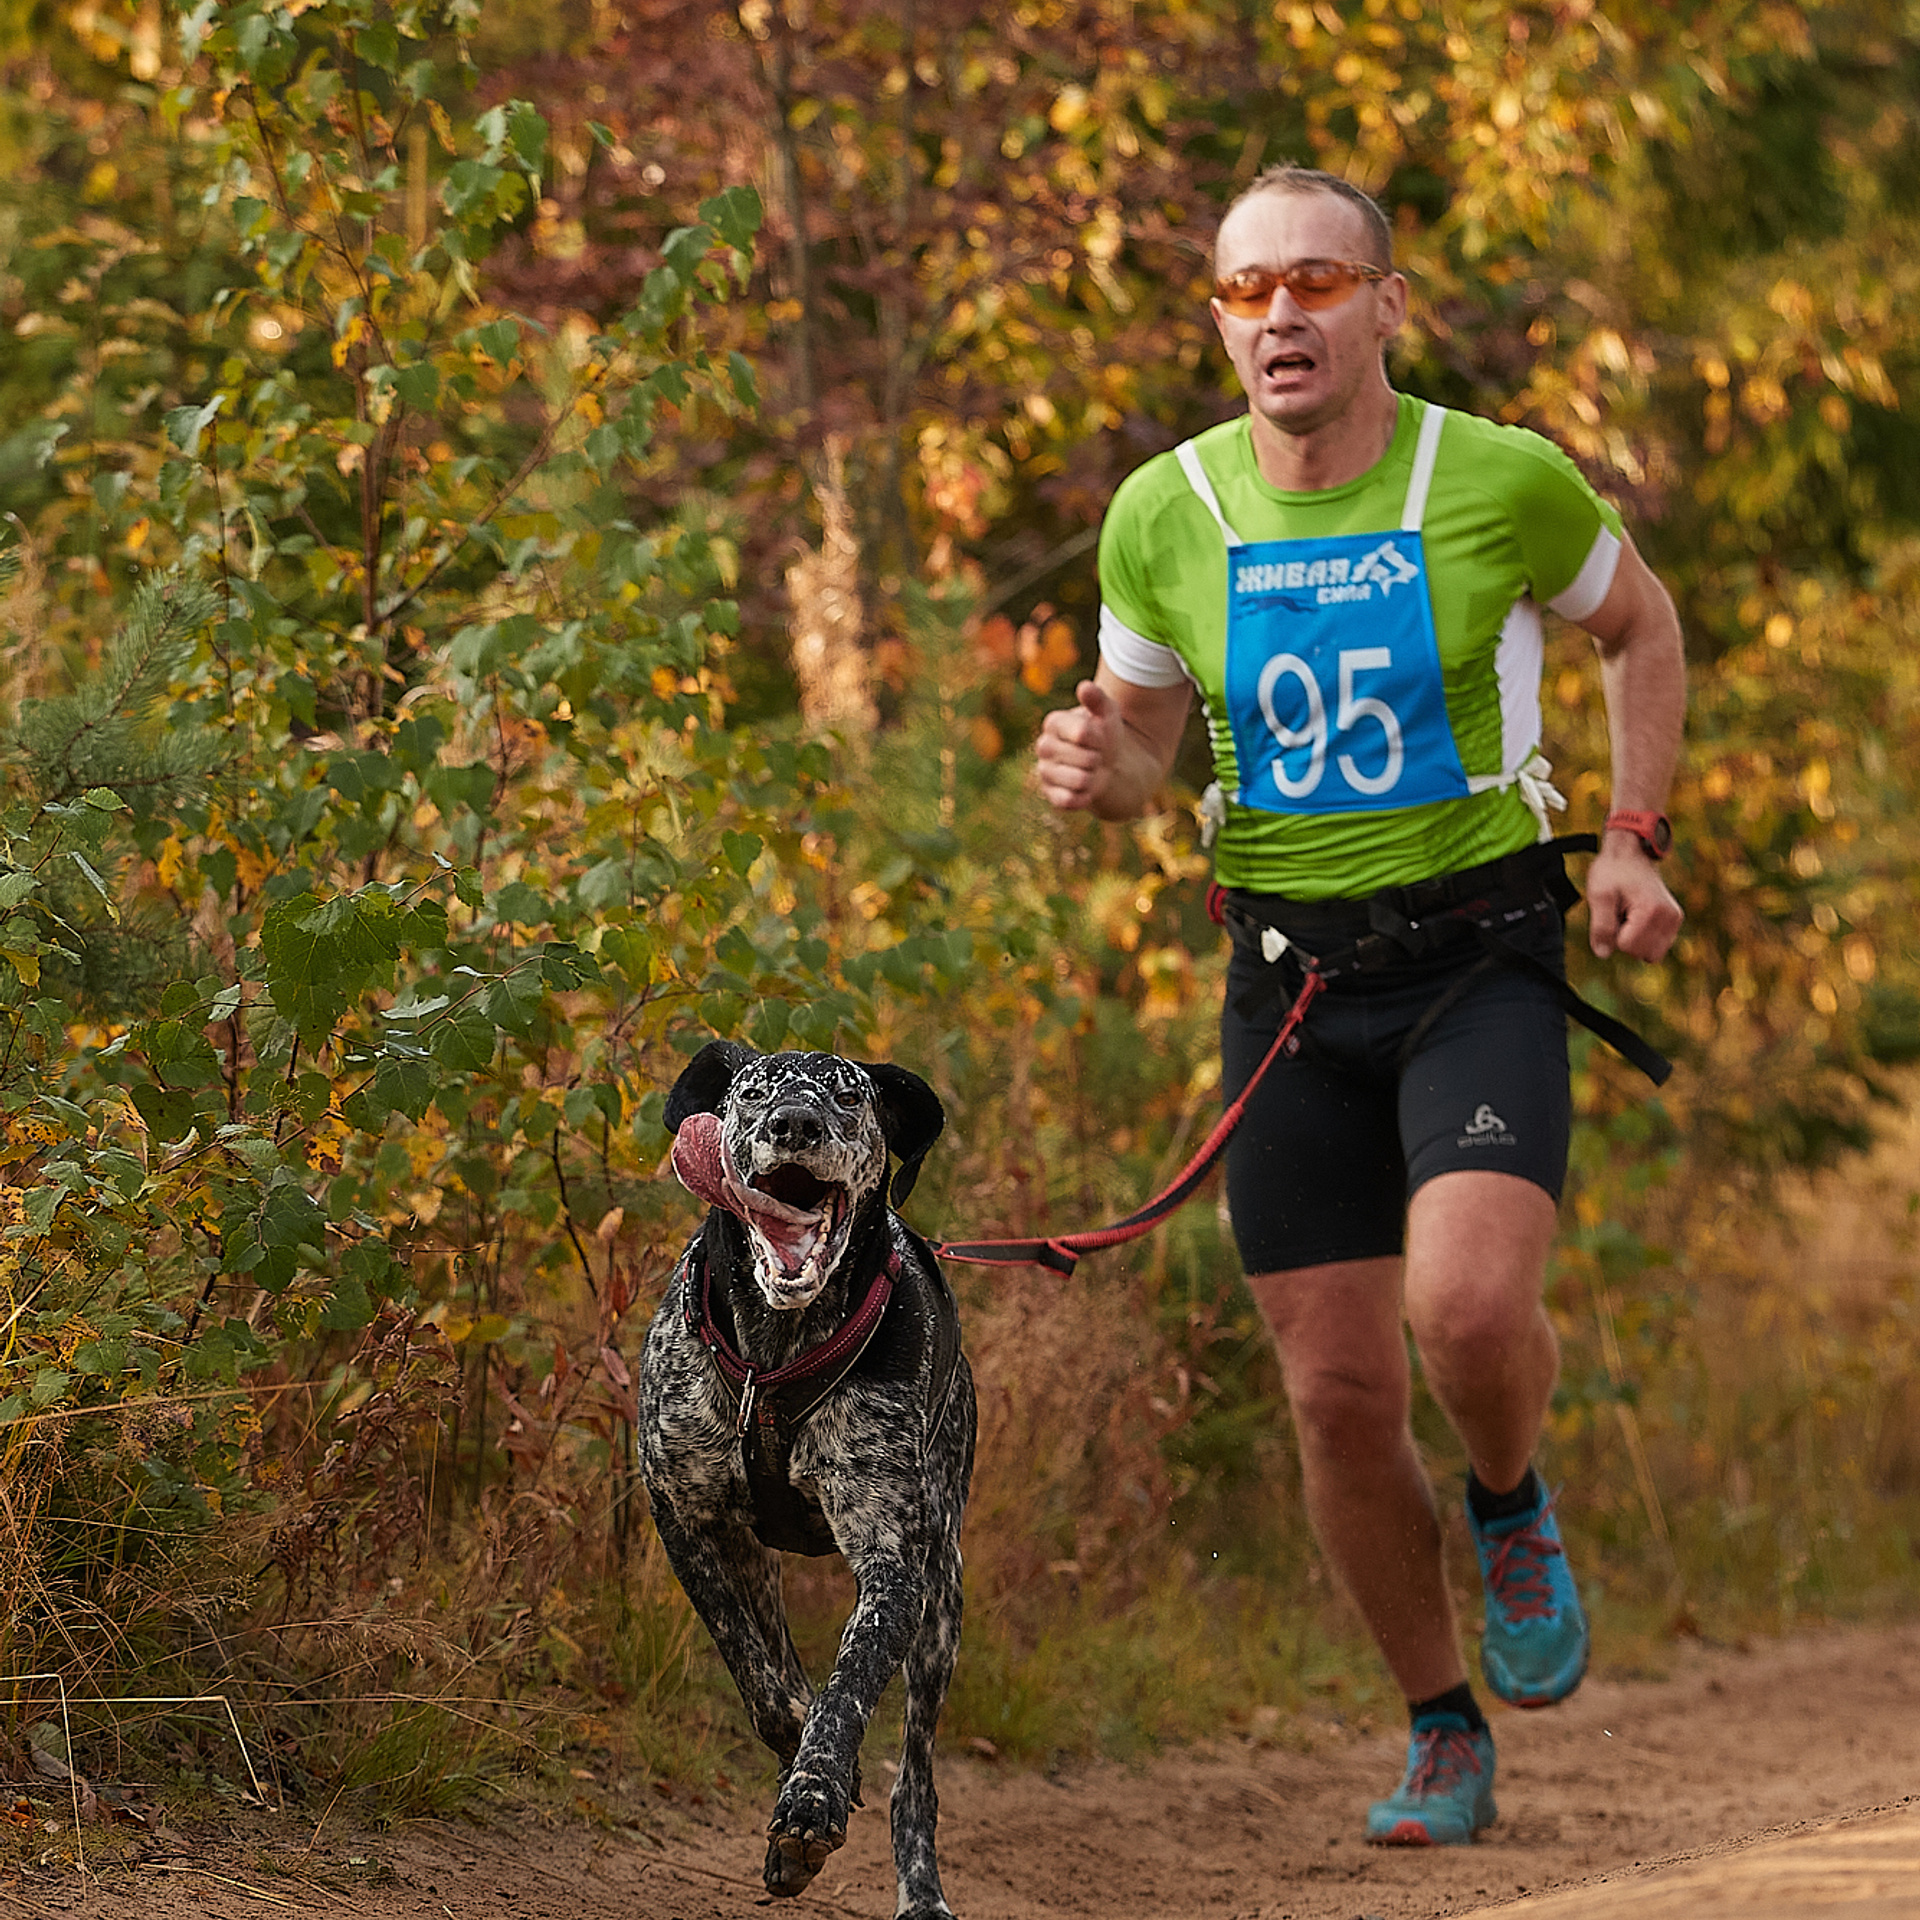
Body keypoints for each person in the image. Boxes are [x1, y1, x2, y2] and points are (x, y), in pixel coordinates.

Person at [1035, 165, 1684, 1847]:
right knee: (1332, 1392)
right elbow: (1147, 758)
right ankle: (1440, 1727)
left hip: (1476, 957)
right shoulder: (1162, 514)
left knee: (1466, 1313)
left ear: (1385, 304)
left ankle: (1511, 1499)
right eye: (1247, 293)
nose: (1281, 318)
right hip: (1289, 988)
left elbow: (1638, 626)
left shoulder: (1498, 479)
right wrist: (1096, 771)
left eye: (1316, 282)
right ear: (1221, 326)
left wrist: (1630, 838)